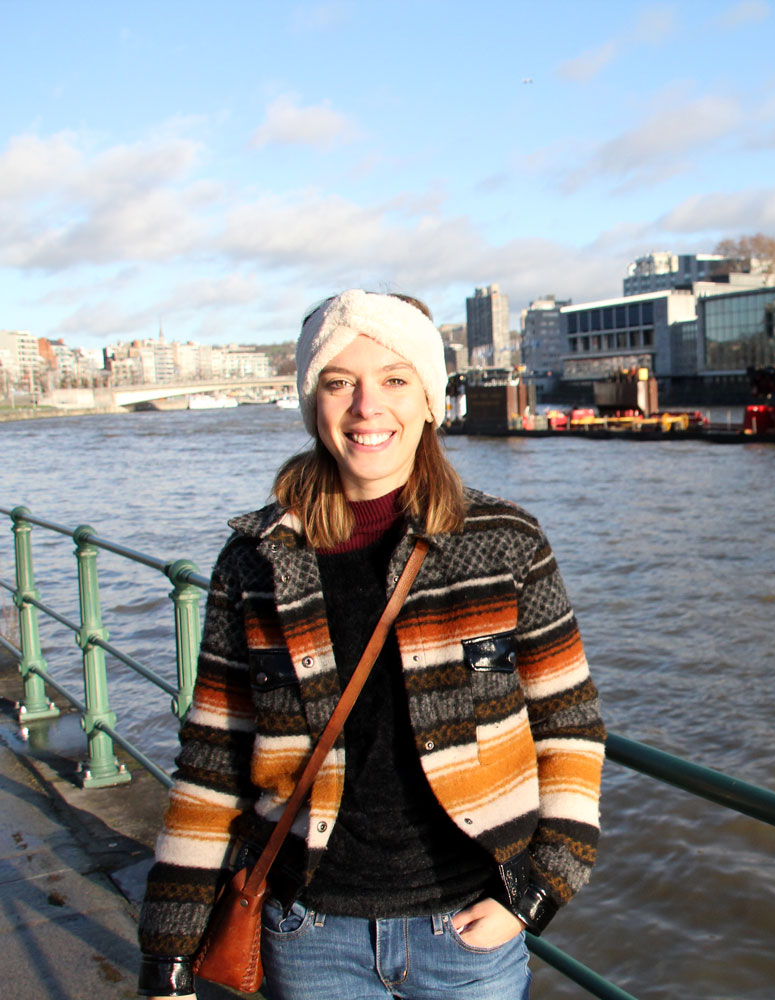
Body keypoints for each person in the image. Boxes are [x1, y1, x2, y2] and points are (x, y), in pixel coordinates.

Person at [137, 289, 605, 1000]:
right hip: (312, 933)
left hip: (468, 929)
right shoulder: (255, 561)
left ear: (428, 400)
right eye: (339, 383)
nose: (366, 407)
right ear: (312, 404)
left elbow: (568, 724)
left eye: (393, 380)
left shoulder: (505, 543)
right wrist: (168, 948)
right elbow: (213, 759)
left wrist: (539, 890)